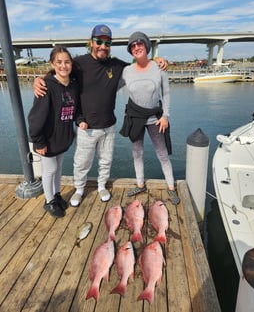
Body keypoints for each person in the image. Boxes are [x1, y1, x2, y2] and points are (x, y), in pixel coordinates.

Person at [33, 24, 167, 206]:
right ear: (91, 42)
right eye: (99, 42)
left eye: (107, 43)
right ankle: (79, 189)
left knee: (106, 161)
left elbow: (140, 65)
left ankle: (102, 185)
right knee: (81, 163)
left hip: (108, 126)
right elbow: (60, 71)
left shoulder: (117, 65)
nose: (102, 46)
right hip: (86, 127)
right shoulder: (79, 64)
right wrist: (39, 79)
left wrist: (156, 59)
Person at [119, 31, 180, 205]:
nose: (137, 47)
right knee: (137, 153)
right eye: (133, 45)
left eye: (140, 44)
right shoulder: (127, 71)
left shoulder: (159, 67)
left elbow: (166, 93)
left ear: (146, 46)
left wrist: (166, 116)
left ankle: (171, 188)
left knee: (162, 154)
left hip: (155, 118)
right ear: (130, 50)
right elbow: (110, 88)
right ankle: (140, 184)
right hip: (134, 118)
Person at [28, 46, 82, 217]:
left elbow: (76, 109)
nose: (63, 66)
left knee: (58, 168)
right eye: (59, 62)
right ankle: (49, 200)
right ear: (52, 64)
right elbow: (35, 118)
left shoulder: (73, 85)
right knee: (49, 170)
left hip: (63, 138)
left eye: (67, 62)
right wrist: (39, 141)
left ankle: (57, 194)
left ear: (71, 64)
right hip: (48, 140)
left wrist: (80, 121)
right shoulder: (47, 86)